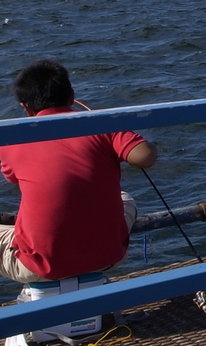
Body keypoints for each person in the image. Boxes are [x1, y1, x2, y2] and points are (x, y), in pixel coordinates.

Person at [0, 60, 157, 284]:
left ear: (25, 107)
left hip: (40, 265)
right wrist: (113, 127)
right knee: (125, 199)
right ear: (72, 96)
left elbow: (14, 177)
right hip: (108, 256)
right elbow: (145, 157)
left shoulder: (12, 139)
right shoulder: (101, 126)